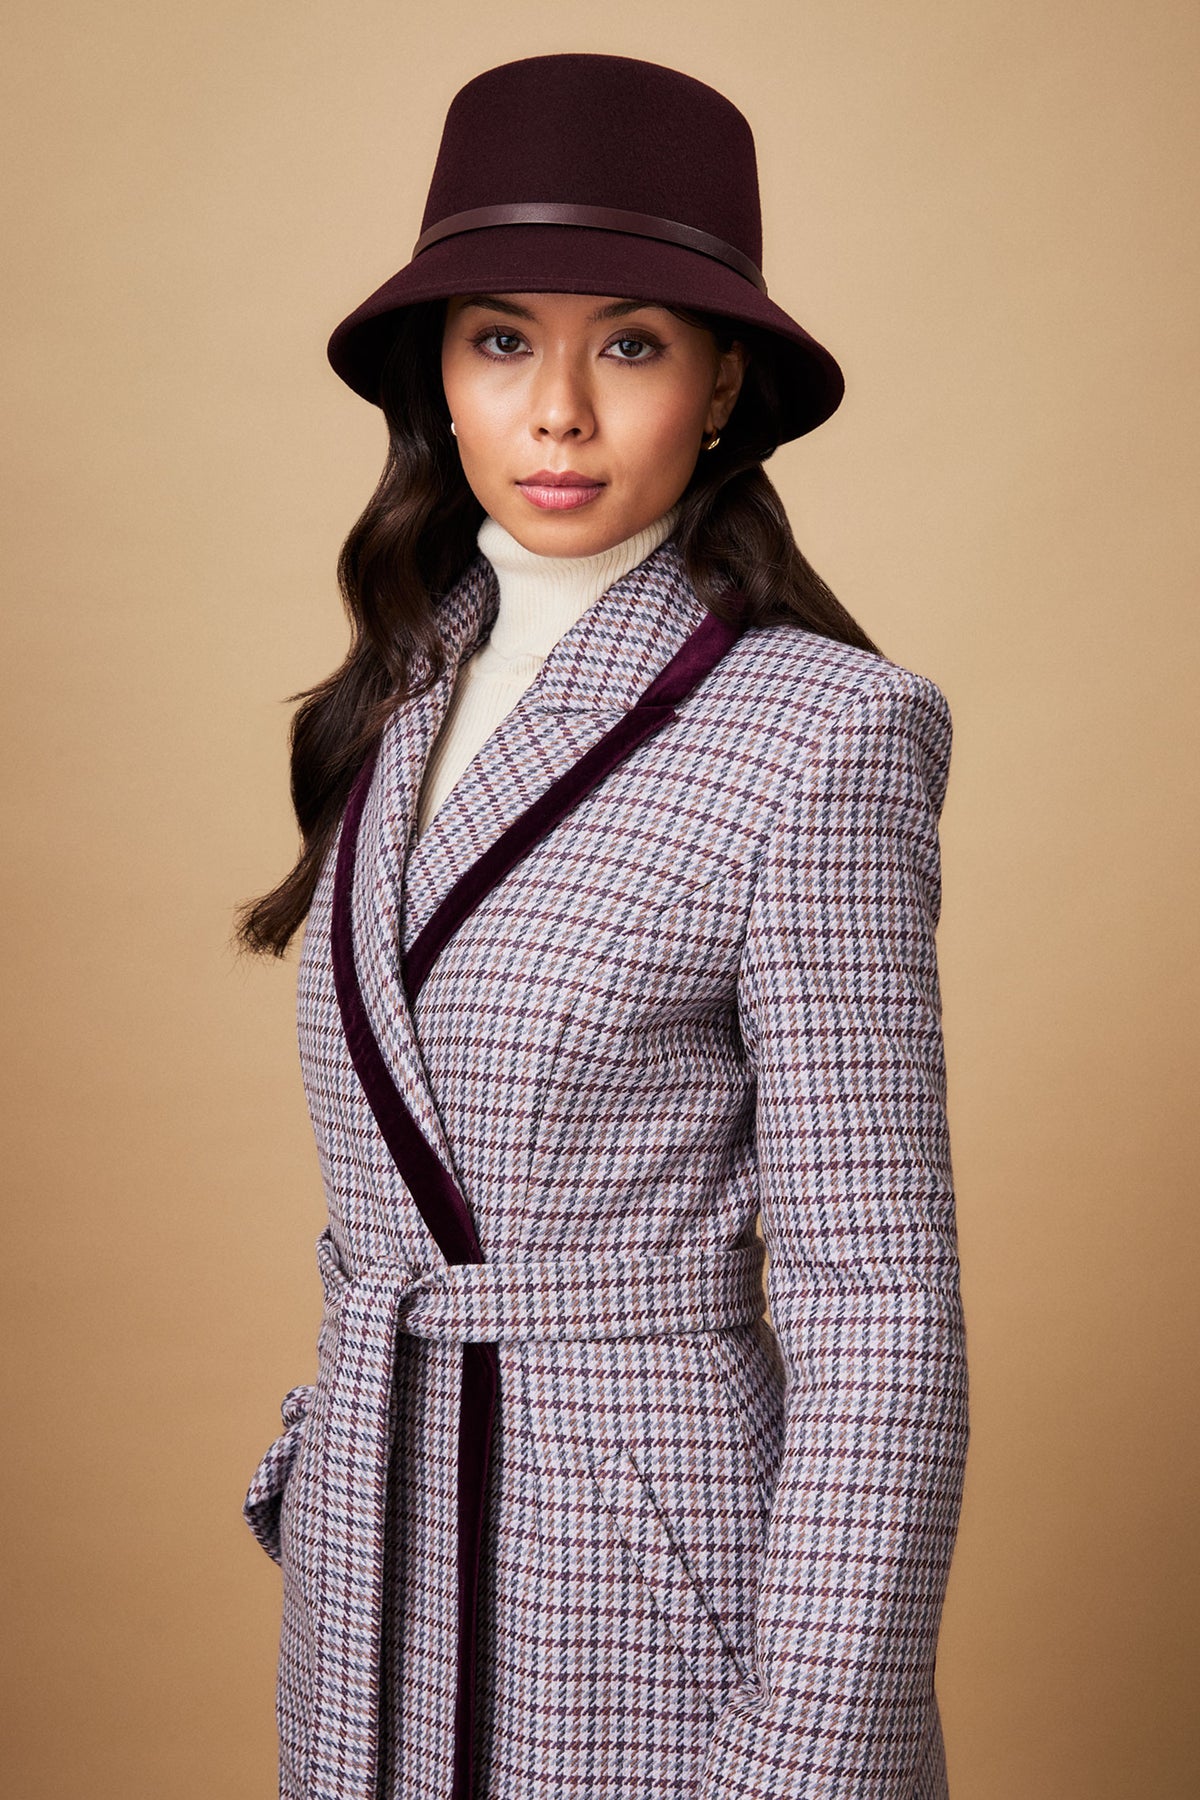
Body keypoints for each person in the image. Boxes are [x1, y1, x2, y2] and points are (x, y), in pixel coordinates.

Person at [237, 52, 968, 1800]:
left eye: (629, 344)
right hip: (375, 1567)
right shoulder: (391, 694)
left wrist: (813, 1750)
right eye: (503, 339)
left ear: (723, 386)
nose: (557, 409)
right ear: (441, 373)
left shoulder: (823, 733)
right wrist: (322, 1445)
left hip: (660, 1587)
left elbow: (882, 1306)